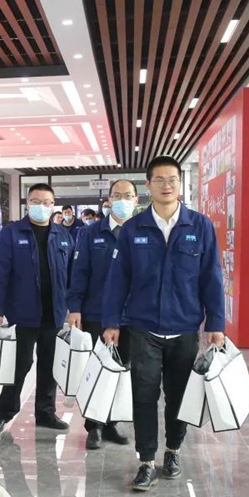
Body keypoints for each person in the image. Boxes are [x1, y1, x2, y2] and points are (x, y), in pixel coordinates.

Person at [103, 156, 225, 491]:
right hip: (143, 327)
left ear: (180, 184)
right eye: (159, 180)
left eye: (172, 179)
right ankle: (146, 461)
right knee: (143, 395)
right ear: (148, 185)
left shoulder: (199, 227)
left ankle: (173, 451)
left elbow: (212, 278)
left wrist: (216, 323)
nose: (167, 185)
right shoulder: (133, 229)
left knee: (178, 395)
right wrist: (112, 321)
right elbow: (118, 280)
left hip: (184, 327)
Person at [0, 183, 72, 434]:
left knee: (50, 365)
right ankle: (4, 412)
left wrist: (73, 307)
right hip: (22, 312)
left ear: (53, 206)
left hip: (54, 313)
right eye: (36, 201)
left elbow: (72, 275)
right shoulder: (12, 233)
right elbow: (0, 273)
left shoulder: (63, 235)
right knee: (19, 364)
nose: (41, 206)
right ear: (27, 204)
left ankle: (46, 414)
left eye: (46, 202)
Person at [66, 180, 139, 450]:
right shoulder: (90, 233)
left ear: (136, 200)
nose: (122, 201)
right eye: (117, 196)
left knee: (121, 371)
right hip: (96, 312)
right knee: (96, 369)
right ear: (108, 200)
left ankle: (111, 423)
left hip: (132, 315)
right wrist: (74, 307)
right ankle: (94, 426)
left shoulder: (143, 231)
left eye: (128, 196)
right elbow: (79, 272)